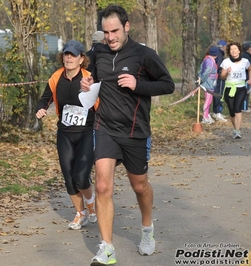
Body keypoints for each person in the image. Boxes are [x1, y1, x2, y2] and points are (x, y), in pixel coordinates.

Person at [80, 4, 175, 265]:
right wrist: (87, 82)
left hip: (135, 132)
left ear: (127, 27)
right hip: (105, 128)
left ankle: (147, 229)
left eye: (115, 31)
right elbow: (94, 77)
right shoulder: (98, 52)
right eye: (106, 32)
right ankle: (107, 247)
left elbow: (168, 84)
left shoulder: (144, 55)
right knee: (102, 185)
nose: (110, 37)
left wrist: (138, 84)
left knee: (139, 186)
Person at [35, 40, 97, 230]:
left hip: (87, 132)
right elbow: (44, 99)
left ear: (81, 59)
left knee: (81, 176)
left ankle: (91, 203)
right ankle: (81, 214)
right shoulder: (56, 77)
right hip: (65, 133)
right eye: (66, 54)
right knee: (68, 177)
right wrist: (40, 109)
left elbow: (101, 104)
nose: (69, 58)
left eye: (73, 55)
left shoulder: (89, 78)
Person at [220, 42, 251, 139]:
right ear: (229, 51)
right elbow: (222, 77)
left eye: (235, 49)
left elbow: (250, 69)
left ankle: (237, 131)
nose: (233, 51)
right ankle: (235, 129)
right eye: (231, 49)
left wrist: (250, 79)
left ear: (239, 50)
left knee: (238, 108)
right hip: (229, 88)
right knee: (232, 111)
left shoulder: (245, 61)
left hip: (241, 88)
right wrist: (227, 72)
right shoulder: (226, 62)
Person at [199, 46, 219, 124]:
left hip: (211, 83)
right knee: (208, 100)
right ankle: (205, 117)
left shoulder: (208, 59)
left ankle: (207, 115)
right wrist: (201, 80)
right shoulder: (209, 61)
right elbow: (206, 72)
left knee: (209, 100)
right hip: (208, 83)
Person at [212, 40, 228, 121]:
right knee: (218, 94)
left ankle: (216, 111)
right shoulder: (219, 53)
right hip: (219, 77)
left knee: (216, 94)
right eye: (225, 46)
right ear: (223, 46)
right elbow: (218, 66)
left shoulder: (218, 52)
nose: (226, 48)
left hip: (216, 76)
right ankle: (217, 112)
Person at [240, 42, 251, 112]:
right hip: (245, 77)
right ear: (248, 48)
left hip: (245, 76)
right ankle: (244, 107)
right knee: (246, 92)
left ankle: (245, 106)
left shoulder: (245, 55)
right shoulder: (246, 56)